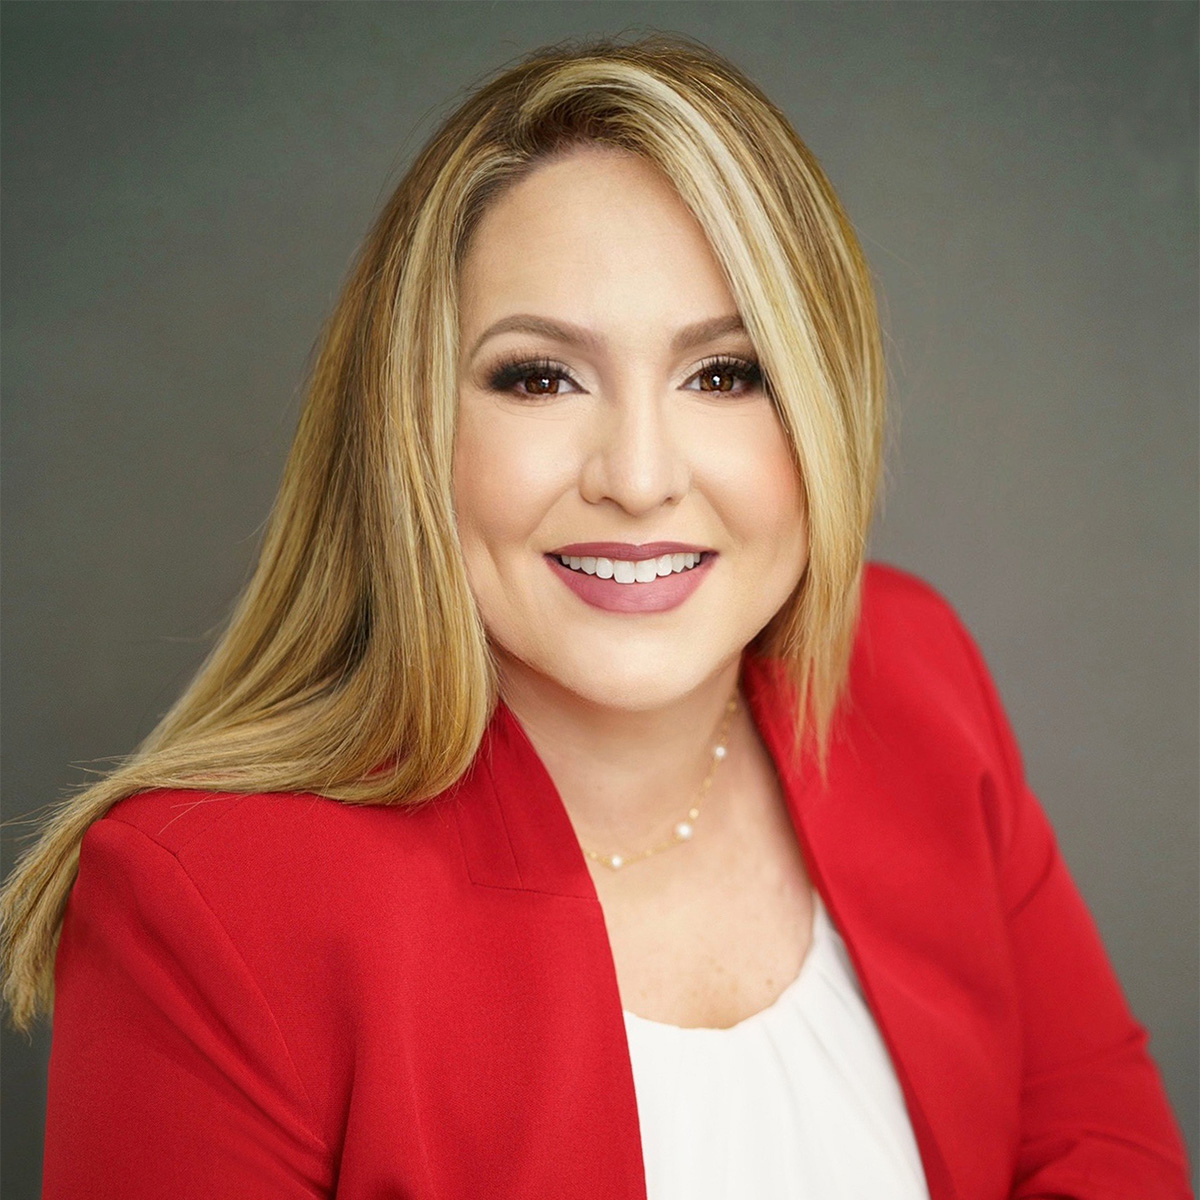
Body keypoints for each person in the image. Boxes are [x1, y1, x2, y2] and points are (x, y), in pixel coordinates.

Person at [1, 33, 1191, 1200]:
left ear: (825, 405)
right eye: (539, 376)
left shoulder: (910, 669)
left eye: (725, 373)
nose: (638, 476)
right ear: (412, 428)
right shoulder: (211, 898)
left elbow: (1106, 1153)